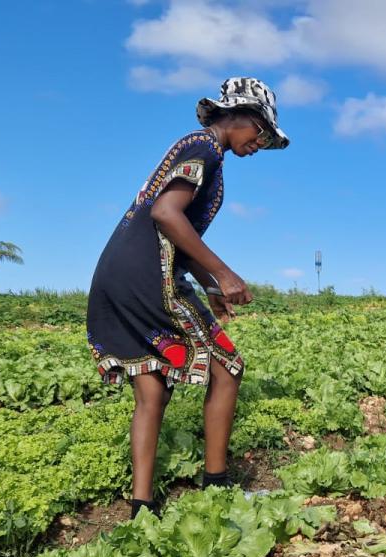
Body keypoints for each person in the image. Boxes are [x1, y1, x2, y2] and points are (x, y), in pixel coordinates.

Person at [86, 77, 290, 519]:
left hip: (116, 273)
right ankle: (217, 489)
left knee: (151, 388)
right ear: (243, 118)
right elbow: (166, 214)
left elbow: (175, 234)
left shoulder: (196, 148)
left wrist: (210, 286)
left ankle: (142, 509)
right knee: (228, 366)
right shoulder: (204, 148)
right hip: (148, 276)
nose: (260, 144)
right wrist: (223, 272)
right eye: (262, 133)